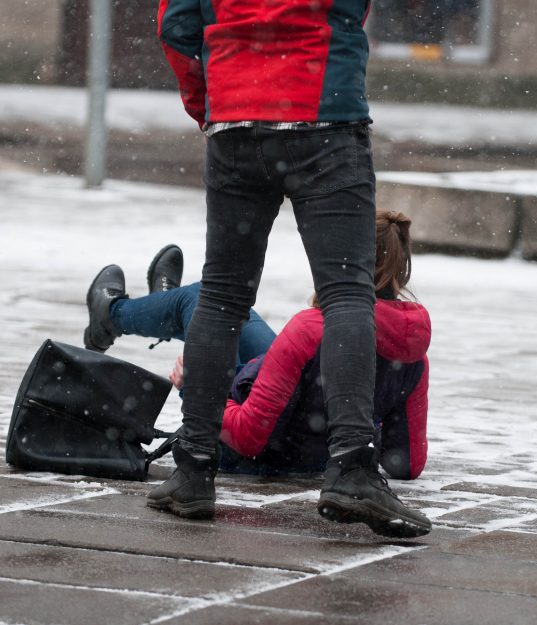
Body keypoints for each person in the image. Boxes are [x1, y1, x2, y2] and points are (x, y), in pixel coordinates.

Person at [92, 0, 429, 538]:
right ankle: (350, 468)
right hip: (325, 114)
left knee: (223, 296)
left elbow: (175, 26)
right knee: (345, 295)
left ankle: (195, 469)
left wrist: (212, 102)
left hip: (237, 121)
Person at [84, 212, 432, 537]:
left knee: (207, 300)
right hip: (309, 438)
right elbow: (406, 463)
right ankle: (165, 305)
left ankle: (113, 314)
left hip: (257, 454)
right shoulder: (412, 352)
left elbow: (249, 436)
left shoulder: (312, 329)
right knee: (215, 310)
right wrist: (360, 426)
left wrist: (198, 387)